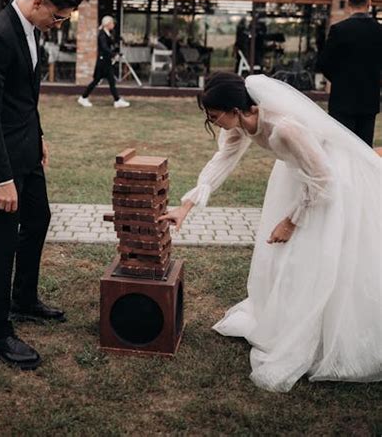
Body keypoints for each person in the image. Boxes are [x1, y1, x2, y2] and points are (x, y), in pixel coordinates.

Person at [160, 72, 381, 392]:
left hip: (327, 180)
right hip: (298, 175)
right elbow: (222, 160)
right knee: (285, 260)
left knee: (316, 255)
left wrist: (292, 220)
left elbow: (324, 181)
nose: (210, 119)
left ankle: (320, 336)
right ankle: (286, 321)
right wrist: (185, 207)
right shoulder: (241, 124)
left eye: (213, 113)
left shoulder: (285, 129)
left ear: (234, 109)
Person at [0, 0, 83, 369]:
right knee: (1, 243)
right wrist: (2, 179)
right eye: (58, 17)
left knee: (39, 218)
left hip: (26, 149)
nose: (58, 25)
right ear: (38, 2)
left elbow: (23, 100)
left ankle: (24, 299)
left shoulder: (32, 29)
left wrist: (39, 138)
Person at [319, 0, 382, 146]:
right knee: (364, 150)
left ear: (348, 3)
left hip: (342, 99)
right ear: (369, 3)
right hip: (369, 99)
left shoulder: (338, 30)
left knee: (341, 149)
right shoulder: (379, 31)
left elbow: (324, 63)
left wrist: (340, 80)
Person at [77, 16, 130, 108]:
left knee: (109, 81)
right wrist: (113, 54)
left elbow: (110, 46)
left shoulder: (107, 33)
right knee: (98, 80)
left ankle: (116, 100)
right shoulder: (102, 34)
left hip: (105, 61)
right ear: (107, 24)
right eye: (112, 23)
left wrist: (116, 51)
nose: (113, 25)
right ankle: (83, 97)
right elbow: (105, 48)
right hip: (103, 62)